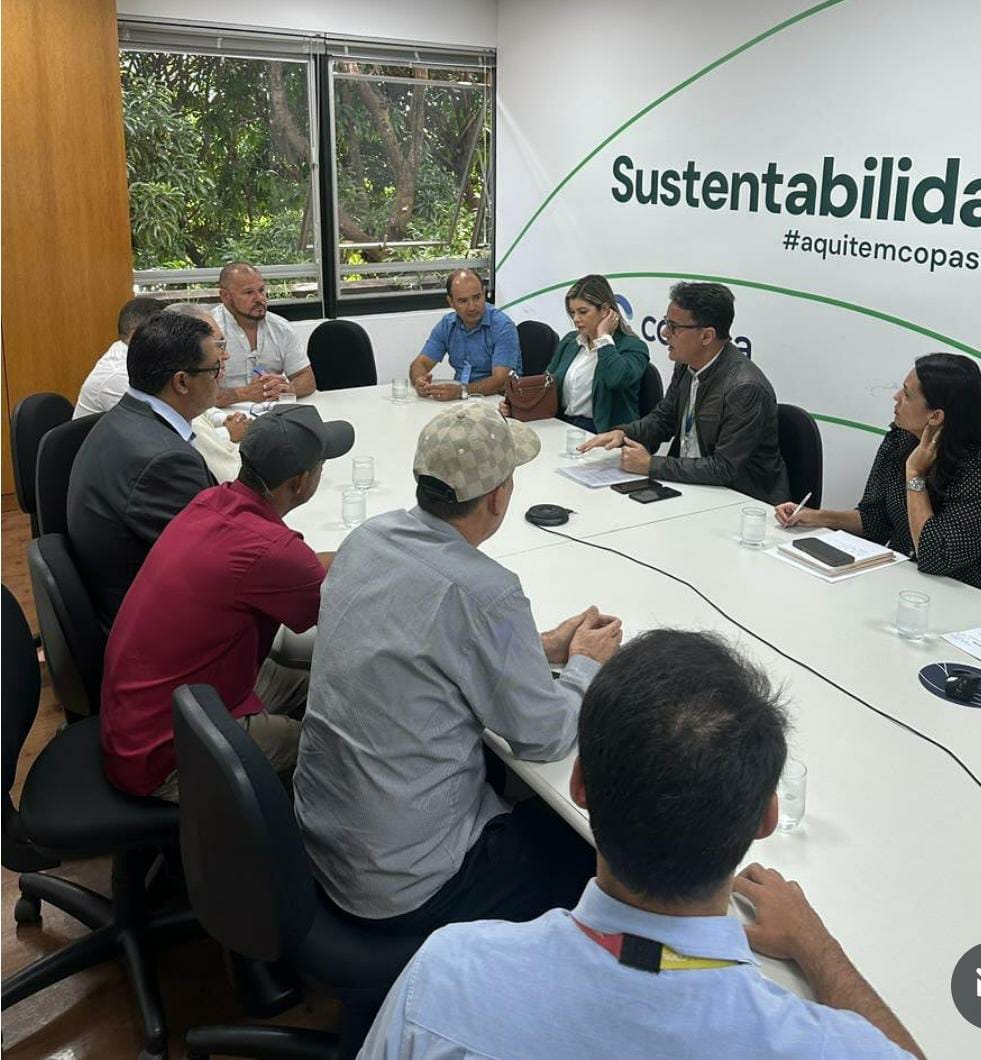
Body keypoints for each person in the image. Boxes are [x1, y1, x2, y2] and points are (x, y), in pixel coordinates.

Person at [360, 630, 924, 1060]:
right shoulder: (817, 1045)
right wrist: (817, 946)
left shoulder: (445, 974)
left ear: (580, 785)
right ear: (766, 819)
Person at [295, 401, 622, 936]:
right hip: (408, 884)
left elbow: (422, 640)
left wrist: (536, 647)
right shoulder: (486, 592)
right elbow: (544, 737)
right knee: (584, 849)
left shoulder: (367, 539)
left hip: (325, 842)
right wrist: (585, 666)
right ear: (497, 497)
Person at [100, 405, 354, 802]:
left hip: (142, 717)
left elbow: (297, 568)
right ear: (301, 481)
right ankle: (298, 835)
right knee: (332, 743)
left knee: (331, 688)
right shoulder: (272, 550)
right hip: (164, 757)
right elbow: (352, 613)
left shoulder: (213, 502)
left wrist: (364, 549)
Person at [67, 313, 223, 627]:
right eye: (214, 369)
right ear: (181, 382)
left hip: (122, 597)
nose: (221, 377)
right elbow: (221, 563)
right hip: (160, 630)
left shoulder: (124, 417)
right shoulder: (164, 461)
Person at [777, 352, 981, 588]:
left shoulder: (974, 471)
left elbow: (934, 557)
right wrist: (815, 516)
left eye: (907, 395)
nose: (896, 397)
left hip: (957, 593)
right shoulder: (900, 439)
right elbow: (874, 520)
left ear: (935, 416)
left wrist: (915, 474)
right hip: (900, 577)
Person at [581, 282, 789, 503]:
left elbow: (724, 468)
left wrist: (650, 465)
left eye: (674, 327)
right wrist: (624, 433)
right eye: (666, 322)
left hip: (741, 500)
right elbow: (664, 419)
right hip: (689, 486)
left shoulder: (745, 388)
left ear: (707, 336)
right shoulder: (686, 365)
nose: (664, 333)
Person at [501, 275, 649, 433]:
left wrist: (603, 339)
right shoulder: (571, 341)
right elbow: (547, 384)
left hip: (602, 432)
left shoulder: (634, 347)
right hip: (561, 423)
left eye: (583, 312)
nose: (576, 319)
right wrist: (516, 407)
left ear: (605, 311)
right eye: (572, 313)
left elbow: (616, 379)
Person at [164, 302, 249, 482]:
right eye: (219, 346)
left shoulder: (174, 399)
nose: (226, 355)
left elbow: (209, 413)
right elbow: (234, 480)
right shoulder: (187, 420)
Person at [210, 262, 315, 406]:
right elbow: (195, 393)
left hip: (272, 412)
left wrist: (287, 388)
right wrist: (245, 394)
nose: (259, 298)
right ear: (225, 296)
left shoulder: (281, 328)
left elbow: (307, 379)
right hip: (223, 415)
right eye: (249, 292)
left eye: (261, 290)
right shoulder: (207, 331)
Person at [409, 269, 521, 400]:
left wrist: (461, 391)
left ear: (484, 293)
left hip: (498, 401)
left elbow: (501, 381)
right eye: (463, 301)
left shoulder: (503, 326)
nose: (472, 307)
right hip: (462, 401)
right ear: (451, 302)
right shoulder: (447, 325)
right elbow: (420, 364)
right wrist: (419, 381)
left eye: (477, 297)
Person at [73, 296, 164, 417]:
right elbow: (161, 424)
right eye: (166, 333)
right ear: (138, 335)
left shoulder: (142, 361)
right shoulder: (119, 376)